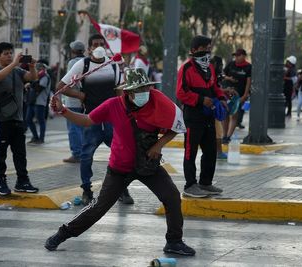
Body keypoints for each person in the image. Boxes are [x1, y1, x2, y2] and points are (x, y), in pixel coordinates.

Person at [46, 68, 195, 256]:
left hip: (147, 164)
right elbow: (87, 120)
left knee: (172, 196)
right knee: (99, 207)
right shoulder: (113, 105)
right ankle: (62, 233)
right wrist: (64, 111)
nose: (144, 94)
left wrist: (158, 145)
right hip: (120, 168)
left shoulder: (158, 102)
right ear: (129, 92)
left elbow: (176, 126)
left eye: (146, 89)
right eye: (139, 91)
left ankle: (174, 241)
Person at [56, 34, 134, 205]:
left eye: (101, 44)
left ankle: (122, 189)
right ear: (89, 48)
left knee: (121, 154)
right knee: (86, 155)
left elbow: (120, 90)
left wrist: (124, 112)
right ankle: (86, 190)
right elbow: (60, 87)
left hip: (112, 120)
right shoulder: (82, 65)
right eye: (95, 44)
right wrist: (80, 95)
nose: (99, 46)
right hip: (91, 119)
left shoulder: (113, 65)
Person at [176, 35, 227, 198]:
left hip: (208, 116)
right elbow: (181, 93)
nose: (207, 51)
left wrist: (221, 99)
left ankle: (206, 183)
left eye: (209, 48)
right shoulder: (186, 69)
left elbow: (214, 87)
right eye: (203, 48)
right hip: (193, 117)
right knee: (190, 152)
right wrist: (200, 100)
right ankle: (190, 185)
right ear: (193, 51)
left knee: (211, 150)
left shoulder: (210, 68)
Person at [0, 42, 39, 196]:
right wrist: (15, 63)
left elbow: (32, 78)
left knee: (20, 153)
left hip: (18, 118)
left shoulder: (17, 71)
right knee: (1, 153)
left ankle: (22, 181)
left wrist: (32, 66)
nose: (9, 56)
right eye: (6, 53)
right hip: (1, 119)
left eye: (11, 53)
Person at [62, 40, 85, 163]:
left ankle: (76, 153)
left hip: (73, 100)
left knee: (73, 128)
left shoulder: (72, 62)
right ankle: (82, 152)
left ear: (73, 51)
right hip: (84, 100)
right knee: (81, 127)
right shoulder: (86, 61)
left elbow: (71, 81)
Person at [222, 48, 251, 143]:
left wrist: (245, 95)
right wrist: (229, 79)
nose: (236, 58)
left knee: (234, 115)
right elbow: (222, 74)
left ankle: (228, 136)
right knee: (225, 114)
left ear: (244, 56)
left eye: (238, 55)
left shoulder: (248, 67)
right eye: (235, 56)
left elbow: (248, 82)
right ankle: (224, 135)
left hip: (238, 95)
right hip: (227, 93)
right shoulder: (231, 64)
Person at [26, 60, 51, 144]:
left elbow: (39, 88)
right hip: (32, 101)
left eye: (40, 66)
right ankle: (35, 136)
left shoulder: (45, 76)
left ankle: (41, 138)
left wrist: (31, 84)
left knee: (41, 121)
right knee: (28, 119)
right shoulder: (37, 76)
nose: (38, 67)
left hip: (40, 102)